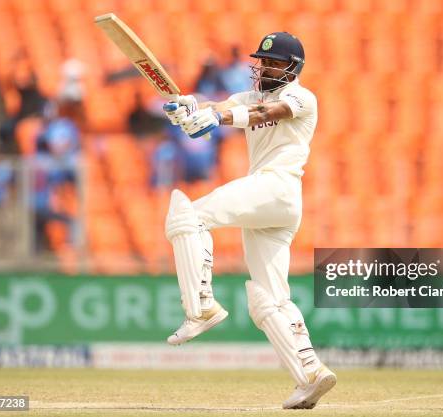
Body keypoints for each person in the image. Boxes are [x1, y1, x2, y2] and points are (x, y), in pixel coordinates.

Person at [162, 32, 336, 409]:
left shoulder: (301, 97)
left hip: (277, 187)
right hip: (272, 207)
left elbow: (263, 114)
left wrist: (217, 117)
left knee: (188, 216)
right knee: (268, 299)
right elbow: (218, 104)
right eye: (262, 61)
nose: (265, 67)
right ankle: (310, 374)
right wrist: (188, 106)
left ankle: (202, 306)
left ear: (293, 67)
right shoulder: (250, 97)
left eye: (273, 62)